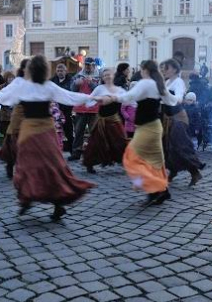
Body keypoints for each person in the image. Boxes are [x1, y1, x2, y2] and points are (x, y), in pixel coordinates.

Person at [0, 55, 95, 220]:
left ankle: (30, 200)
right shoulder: (47, 86)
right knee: (51, 166)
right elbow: (69, 97)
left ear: (32, 70)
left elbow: (5, 98)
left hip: (31, 131)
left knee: (28, 166)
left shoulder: (25, 86)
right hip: (44, 131)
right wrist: (91, 98)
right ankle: (50, 203)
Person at [102, 61, 179, 205]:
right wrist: (180, 98)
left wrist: (113, 98)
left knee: (130, 158)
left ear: (144, 70)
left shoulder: (146, 83)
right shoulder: (158, 83)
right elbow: (171, 100)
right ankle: (161, 191)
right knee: (155, 162)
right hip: (154, 127)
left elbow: (129, 97)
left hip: (147, 128)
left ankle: (155, 188)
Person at [161, 58, 205, 186]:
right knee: (167, 147)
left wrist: (167, 96)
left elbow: (179, 99)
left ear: (174, 69)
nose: (164, 70)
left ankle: (195, 172)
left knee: (180, 146)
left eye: (166, 68)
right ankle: (173, 171)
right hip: (167, 118)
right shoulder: (168, 82)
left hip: (178, 118)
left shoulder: (178, 82)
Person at [82, 68, 127, 173]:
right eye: (105, 75)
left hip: (114, 120)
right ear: (102, 77)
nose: (107, 76)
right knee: (95, 143)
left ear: (113, 75)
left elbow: (129, 99)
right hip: (101, 121)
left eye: (109, 74)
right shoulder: (99, 88)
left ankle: (126, 162)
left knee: (120, 141)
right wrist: (94, 101)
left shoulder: (119, 89)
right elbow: (90, 100)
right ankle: (90, 164)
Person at [0, 60, 29, 179]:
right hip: (18, 115)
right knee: (13, 144)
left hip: (29, 117)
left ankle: (24, 168)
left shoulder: (35, 81)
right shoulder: (18, 81)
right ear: (23, 69)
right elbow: (5, 93)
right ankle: (10, 165)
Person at [69, 57, 99, 161]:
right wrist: (75, 84)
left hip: (94, 109)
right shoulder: (78, 75)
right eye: (86, 65)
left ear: (94, 66)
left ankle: (95, 153)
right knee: (78, 132)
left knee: (94, 133)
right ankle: (76, 153)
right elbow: (72, 89)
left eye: (90, 65)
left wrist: (91, 83)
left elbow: (100, 90)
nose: (88, 67)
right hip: (80, 108)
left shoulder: (98, 76)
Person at [51, 63, 74, 152]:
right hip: (55, 109)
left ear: (66, 71)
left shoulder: (70, 80)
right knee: (55, 131)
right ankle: (55, 149)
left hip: (67, 109)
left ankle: (72, 150)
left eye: (62, 71)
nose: (60, 72)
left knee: (68, 130)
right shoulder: (52, 80)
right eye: (58, 71)